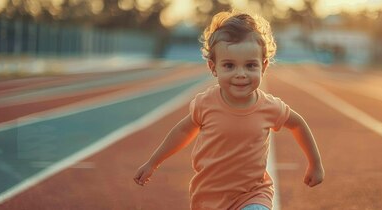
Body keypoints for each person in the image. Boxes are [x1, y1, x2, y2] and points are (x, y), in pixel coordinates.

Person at [134, 10, 324, 210]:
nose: (240, 74)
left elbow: (298, 124)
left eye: (251, 65)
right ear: (213, 67)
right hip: (208, 197)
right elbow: (182, 131)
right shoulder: (205, 103)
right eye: (229, 66)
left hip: (253, 194)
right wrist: (152, 163)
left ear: (264, 66)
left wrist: (315, 163)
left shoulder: (270, 107)